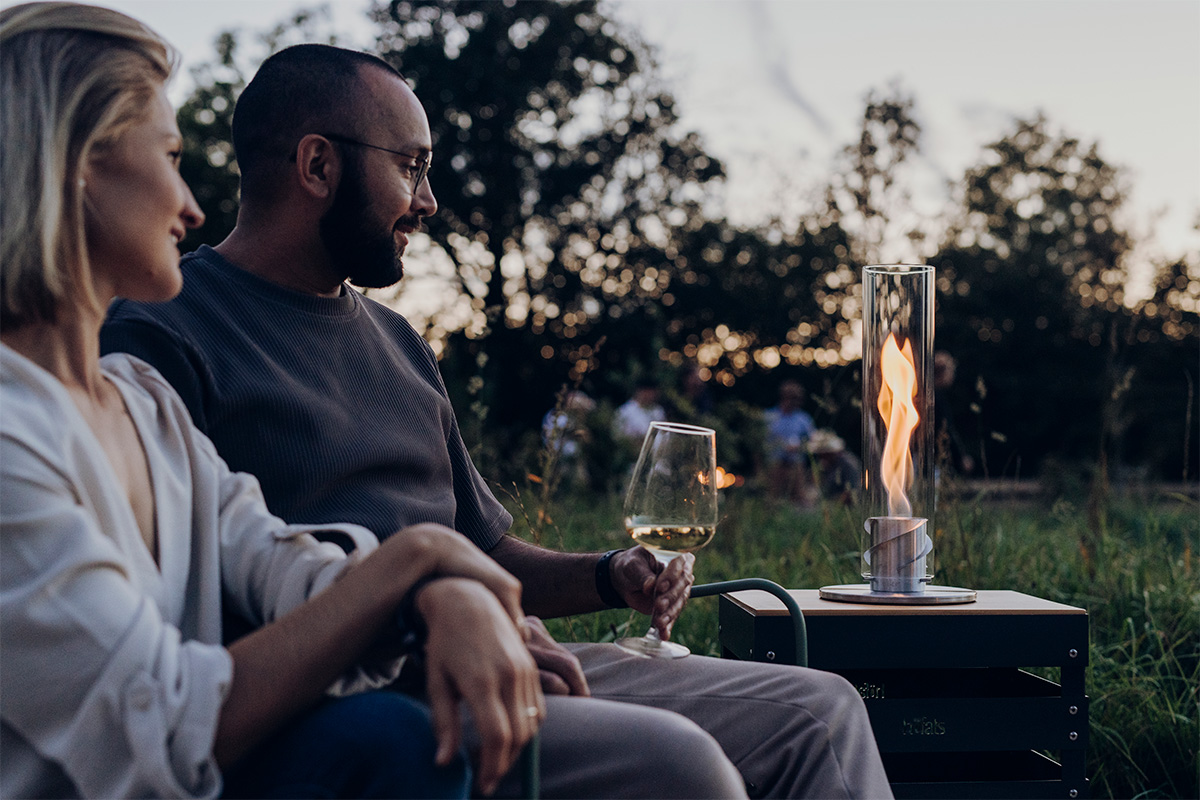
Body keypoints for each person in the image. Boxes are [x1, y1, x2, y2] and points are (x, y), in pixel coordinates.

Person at [101, 42, 894, 799]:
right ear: (318, 165)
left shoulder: (397, 341)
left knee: (821, 713)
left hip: (504, 644)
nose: (428, 201)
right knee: (680, 766)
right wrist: (430, 615)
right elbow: (203, 589)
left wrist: (606, 572)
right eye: (410, 166)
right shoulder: (161, 334)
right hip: (370, 697)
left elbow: (484, 547)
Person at [0, 6, 544, 798]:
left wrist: (438, 591)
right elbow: (164, 717)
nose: (192, 206)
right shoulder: (13, 438)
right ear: (77, 164)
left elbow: (280, 562)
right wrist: (423, 559)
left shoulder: (144, 407)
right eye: (173, 157)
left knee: (389, 740)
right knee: (392, 739)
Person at [763, 380, 817, 505]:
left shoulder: (804, 419)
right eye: (794, 398)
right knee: (772, 500)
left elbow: (813, 442)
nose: (797, 402)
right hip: (774, 465)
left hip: (796, 465)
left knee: (799, 500)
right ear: (784, 397)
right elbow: (760, 443)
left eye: (799, 398)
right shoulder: (769, 417)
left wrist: (800, 446)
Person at [807, 430, 864, 506]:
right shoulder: (823, 466)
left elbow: (853, 492)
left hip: (847, 508)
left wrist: (831, 504)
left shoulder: (849, 464)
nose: (821, 457)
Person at [613, 379, 667, 444]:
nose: (649, 395)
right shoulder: (625, 411)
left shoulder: (658, 411)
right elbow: (618, 435)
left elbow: (663, 432)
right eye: (647, 392)